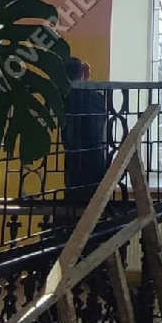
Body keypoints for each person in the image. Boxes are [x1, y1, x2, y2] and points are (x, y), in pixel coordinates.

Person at [61, 57, 119, 219]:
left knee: (73, 207)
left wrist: (82, 82)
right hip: (94, 158)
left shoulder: (64, 99)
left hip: (73, 159)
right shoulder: (95, 98)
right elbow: (101, 115)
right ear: (83, 74)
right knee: (96, 208)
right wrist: (86, 83)